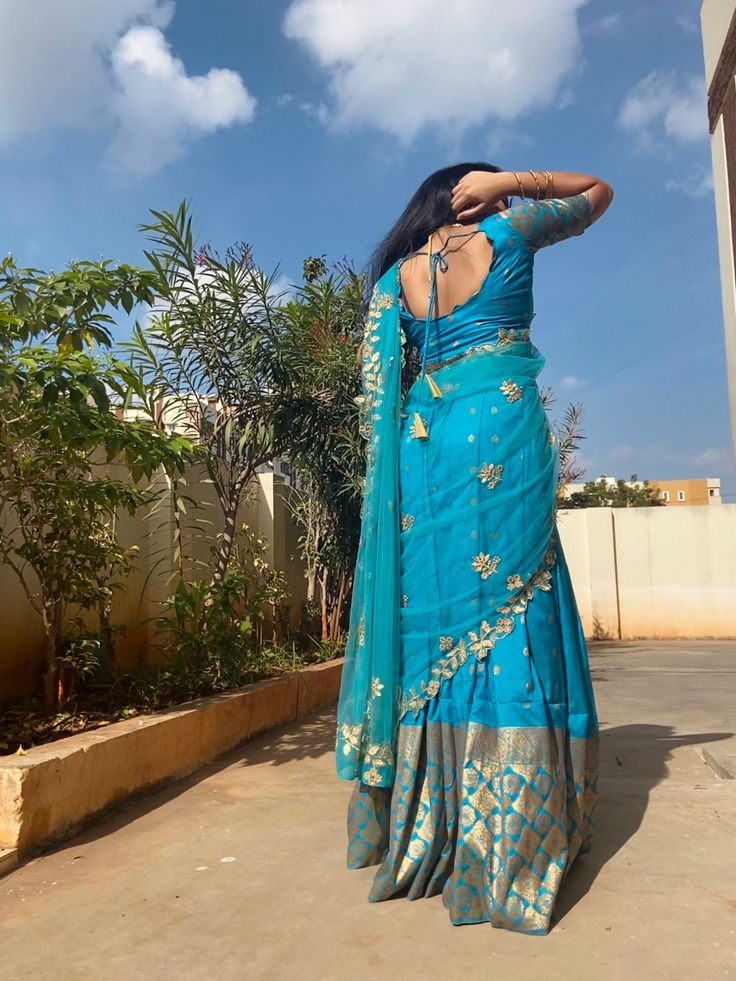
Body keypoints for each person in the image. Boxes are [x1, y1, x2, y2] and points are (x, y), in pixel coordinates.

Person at [336, 164, 613, 934]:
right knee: (521, 601)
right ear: (479, 191)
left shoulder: (396, 278)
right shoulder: (512, 228)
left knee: (436, 624)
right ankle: (516, 824)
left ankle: (437, 816)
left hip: (427, 454)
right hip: (502, 428)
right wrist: (518, 180)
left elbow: (378, 397)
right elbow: (597, 193)